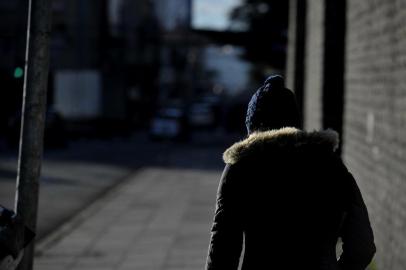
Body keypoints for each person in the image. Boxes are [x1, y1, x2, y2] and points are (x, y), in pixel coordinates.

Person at [205, 75, 376, 270]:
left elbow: (223, 249)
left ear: (253, 127)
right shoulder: (330, 163)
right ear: (295, 122)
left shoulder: (241, 168)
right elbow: (362, 247)